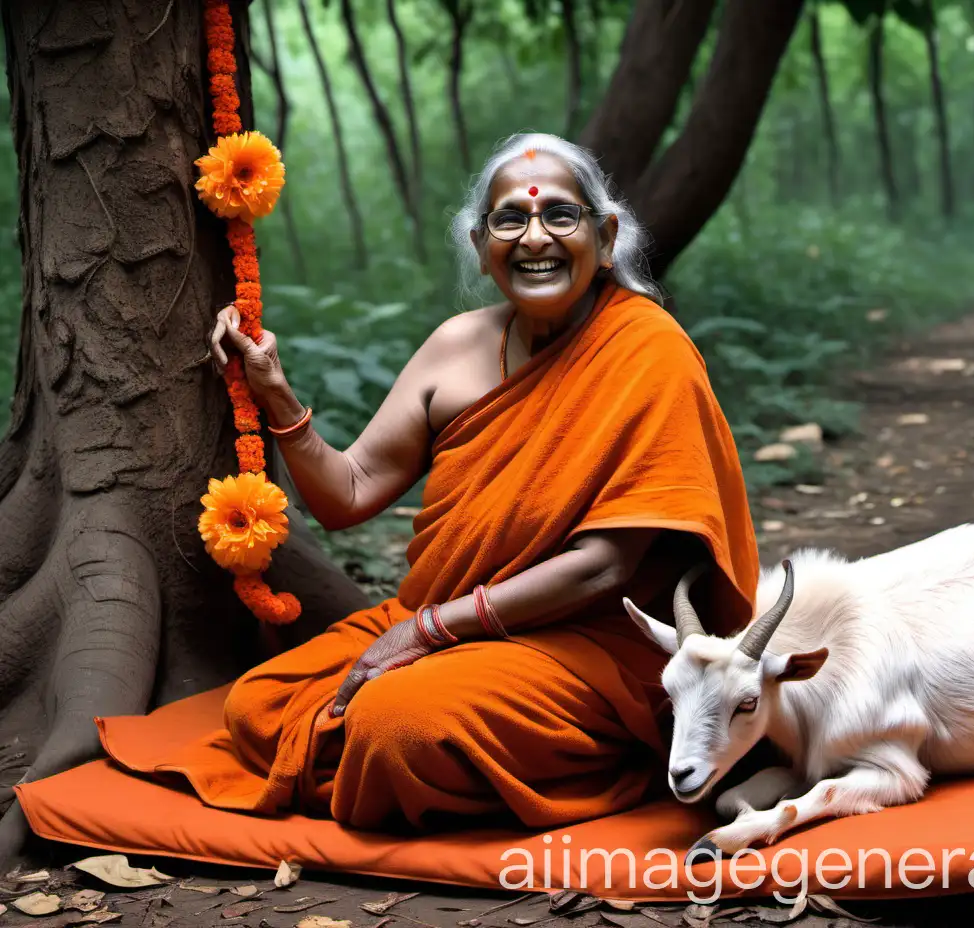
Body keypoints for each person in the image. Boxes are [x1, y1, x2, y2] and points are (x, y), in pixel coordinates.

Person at [106, 132, 761, 833]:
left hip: (579, 645)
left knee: (397, 725)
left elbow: (602, 568)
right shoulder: (457, 345)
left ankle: (576, 756)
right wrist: (277, 398)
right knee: (257, 702)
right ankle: (423, 760)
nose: (534, 236)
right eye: (511, 219)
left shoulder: (646, 350)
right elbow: (349, 493)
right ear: (482, 247)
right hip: (445, 625)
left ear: (605, 237)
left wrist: (428, 631)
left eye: (560, 216)